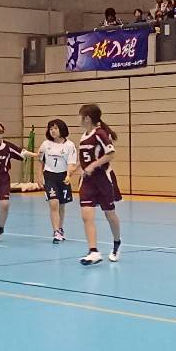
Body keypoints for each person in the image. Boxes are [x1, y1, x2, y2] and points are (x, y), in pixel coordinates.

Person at [77, 104, 123, 266]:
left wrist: (93, 166)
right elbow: (85, 158)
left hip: (103, 179)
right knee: (86, 215)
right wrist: (75, 168)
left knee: (109, 214)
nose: (79, 119)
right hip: (88, 181)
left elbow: (111, 154)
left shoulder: (100, 134)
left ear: (87, 118)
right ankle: (93, 251)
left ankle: (117, 243)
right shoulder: (83, 136)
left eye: (81, 116)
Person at [37, 119, 78, 243]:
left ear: (62, 129)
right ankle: (55, 231)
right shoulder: (45, 144)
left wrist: (69, 175)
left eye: (55, 128)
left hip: (63, 177)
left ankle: (60, 228)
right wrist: (39, 175)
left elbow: (71, 163)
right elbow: (40, 160)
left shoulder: (69, 145)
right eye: (50, 129)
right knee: (53, 203)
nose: (53, 131)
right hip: (50, 176)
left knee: (61, 205)